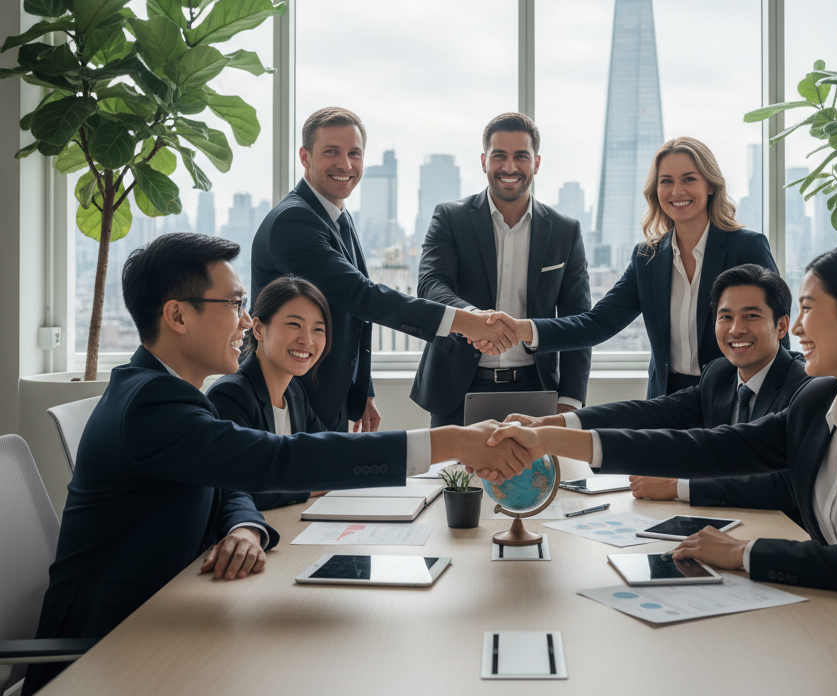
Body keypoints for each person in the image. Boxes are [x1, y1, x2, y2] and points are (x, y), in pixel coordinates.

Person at [486, 244, 837, 696]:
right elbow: (704, 449)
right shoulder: (817, 402)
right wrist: (552, 437)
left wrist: (744, 552)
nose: (799, 327)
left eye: (808, 309)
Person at [25, 233, 530, 696]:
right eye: (236, 304)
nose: (246, 321)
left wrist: (245, 524)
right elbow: (277, 459)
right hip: (108, 654)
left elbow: (225, 482)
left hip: (168, 620)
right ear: (177, 316)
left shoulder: (167, 395)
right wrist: (452, 442)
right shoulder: (152, 405)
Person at [250, 107, 519, 432]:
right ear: (305, 156)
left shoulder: (334, 214)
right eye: (331, 152)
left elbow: (352, 317)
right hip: (291, 394)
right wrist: (466, 322)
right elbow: (360, 296)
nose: (345, 165)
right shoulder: (293, 221)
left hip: (324, 395)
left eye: (354, 153)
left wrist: (362, 391)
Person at [483, 136, 783, 396]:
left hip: (736, 397)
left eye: (689, 179)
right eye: (666, 181)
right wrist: (522, 329)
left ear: (710, 187)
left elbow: (776, 328)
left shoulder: (747, 246)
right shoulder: (647, 258)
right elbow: (597, 323)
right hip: (667, 403)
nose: (677, 191)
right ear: (656, 191)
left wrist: (783, 398)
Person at [507, 264, 807, 514]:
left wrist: (677, 487)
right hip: (725, 517)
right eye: (726, 317)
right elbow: (650, 413)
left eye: (751, 316)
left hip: (783, 531)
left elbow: (784, 486)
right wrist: (552, 423)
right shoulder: (720, 374)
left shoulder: (803, 387)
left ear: (782, 326)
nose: (735, 329)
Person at [412, 112, 592, 427]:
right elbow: (431, 284)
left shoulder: (565, 231)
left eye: (521, 157)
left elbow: (578, 318)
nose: (509, 167)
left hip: (536, 388)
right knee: (455, 478)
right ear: (484, 161)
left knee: (538, 479)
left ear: (536, 163)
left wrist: (570, 399)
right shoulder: (450, 218)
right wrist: (473, 320)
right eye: (500, 156)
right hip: (457, 387)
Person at [207, 275, 334, 510]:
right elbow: (239, 489)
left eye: (318, 329)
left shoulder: (293, 392)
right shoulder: (230, 395)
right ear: (258, 329)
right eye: (294, 324)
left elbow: (327, 456)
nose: (307, 340)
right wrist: (310, 486)